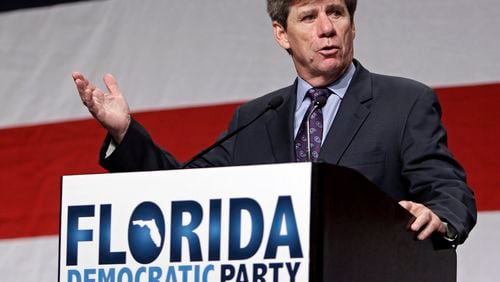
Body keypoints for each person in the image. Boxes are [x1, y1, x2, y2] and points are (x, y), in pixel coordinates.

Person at [72, 0, 476, 245]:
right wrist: (124, 132)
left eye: (336, 12)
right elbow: (181, 191)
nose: (326, 28)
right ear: (281, 34)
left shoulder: (404, 102)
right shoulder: (254, 118)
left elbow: (447, 189)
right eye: (308, 17)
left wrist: (439, 217)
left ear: (353, 25)